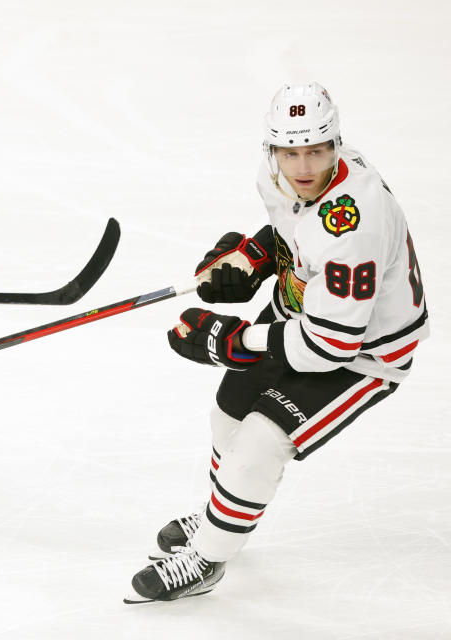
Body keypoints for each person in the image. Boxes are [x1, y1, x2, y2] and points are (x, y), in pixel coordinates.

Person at [123, 82, 429, 603]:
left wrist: (231, 339)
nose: (304, 165)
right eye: (291, 151)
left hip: (363, 351)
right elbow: (293, 232)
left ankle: (210, 556)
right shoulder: (278, 177)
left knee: (261, 442)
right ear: (272, 150)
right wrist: (251, 259)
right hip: (304, 315)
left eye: (316, 150)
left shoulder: (355, 221)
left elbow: (331, 345)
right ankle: (223, 510)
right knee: (228, 414)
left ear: (336, 143)